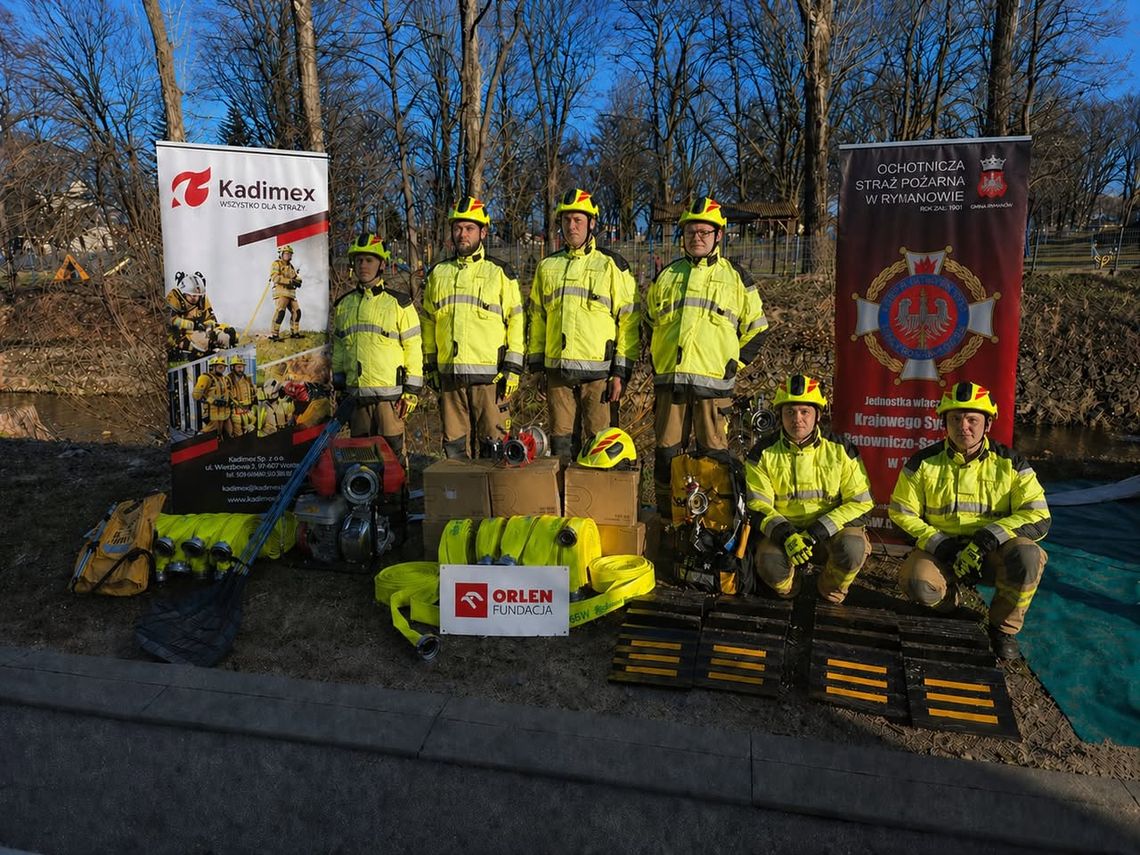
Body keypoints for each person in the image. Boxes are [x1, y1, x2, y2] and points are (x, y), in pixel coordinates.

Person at [889, 381, 1051, 659]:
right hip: (942, 554)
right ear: (944, 423)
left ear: (988, 424)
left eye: (972, 420)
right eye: (955, 419)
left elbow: (1039, 515)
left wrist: (988, 540)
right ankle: (949, 604)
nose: (963, 427)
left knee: (1028, 555)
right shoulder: (922, 463)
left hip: (992, 554)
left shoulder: (1012, 464)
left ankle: (1003, 629)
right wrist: (942, 546)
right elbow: (901, 514)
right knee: (917, 582)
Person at [645, 196, 768, 514]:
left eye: (704, 232)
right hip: (670, 384)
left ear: (718, 235)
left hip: (714, 387)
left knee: (714, 457)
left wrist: (733, 365)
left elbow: (758, 329)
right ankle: (668, 519)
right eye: (690, 232)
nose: (696, 238)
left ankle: (714, 522)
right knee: (666, 455)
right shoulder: (667, 276)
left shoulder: (736, 278)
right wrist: (657, 360)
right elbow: (648, 322)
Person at [527, 188, 639, 461]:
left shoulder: (612, 265)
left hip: (598, 375)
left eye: (578, 220)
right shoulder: (547, 267)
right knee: (561, 445)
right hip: (558, 372)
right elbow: (538, 320)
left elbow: (628, 321)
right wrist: (538, 368)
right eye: (566, 220)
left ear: (591, 223)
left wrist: (620, 372)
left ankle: (596, 491)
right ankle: (563, 488)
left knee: (599, 446)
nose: (571, 226)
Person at [744, 375, 873, 602]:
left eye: (805, 412)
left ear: (818, 415)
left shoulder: (841, 450)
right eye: (790, 412)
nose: (797, 419)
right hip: (785, 537)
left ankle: (830, 589)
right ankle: (790, 589)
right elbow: (757, 505)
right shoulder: (762, 454)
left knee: (853, 547)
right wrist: (786, 535)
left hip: (829, 533)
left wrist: (816, 532)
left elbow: (861, 503)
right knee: (769, 560)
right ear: (780, 415)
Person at [421, 196, 524, 459]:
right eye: (457, 228)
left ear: (483, 232)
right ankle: (459, 489)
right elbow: (429, 323)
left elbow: (516, 321)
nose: (462, 234)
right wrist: (430, 364)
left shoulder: (500, 273)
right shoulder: (438, 274)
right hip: (450, 378)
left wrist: (512, 368)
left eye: (469, 228)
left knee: (495, 451)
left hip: (492, 380)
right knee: (454, 451)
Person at [332, 233, 423, 456]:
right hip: (357, 398)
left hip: (390, 400)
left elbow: (413, 348)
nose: (363, 265)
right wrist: (340, 385)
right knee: (362, 459)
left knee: (393, 457)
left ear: (382, 264)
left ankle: (398, 483)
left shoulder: (399, 304)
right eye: (359, 260)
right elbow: (340, 348)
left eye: (369, 260)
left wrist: (411, 391)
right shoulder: (344, 305)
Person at [167, 271, 237, 360]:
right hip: (181, 338)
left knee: (225, 337)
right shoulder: (174, 299)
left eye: (197, 296)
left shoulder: (202, 300)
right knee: (204, 341)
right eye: (192, 295)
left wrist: (215, 330)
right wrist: (190, 325)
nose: (195, 298)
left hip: (201, 333)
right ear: (183, 293)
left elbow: (210, 319)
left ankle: (228, 357)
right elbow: (169, 322)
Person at [268, 245, 303, 341]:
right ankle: (274, 334)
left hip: (291, 293)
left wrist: (299, 281)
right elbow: (275, 278)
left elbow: (295, 277)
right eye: (286, 254)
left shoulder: (291, 267)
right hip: (281, 292)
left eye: (290, 254)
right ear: (281, 254)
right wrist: (289, 281)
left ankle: (295, 332)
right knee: (280, 312)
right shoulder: (276, 264)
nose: (288, 255)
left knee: (297, 312)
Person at [192, 355, 231, 435]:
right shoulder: (206, 378)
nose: (223, 369)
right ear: (212, 367)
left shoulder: (224, 379)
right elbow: (196, 395)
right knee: (209, 433)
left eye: (224, 367)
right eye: (220, 367)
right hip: (212, 413)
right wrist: (212, 401)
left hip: (224, 413)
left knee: (228, 432)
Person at [226, 355, 256, 438]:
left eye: (242, 367)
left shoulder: (247, 379)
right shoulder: (228, 380)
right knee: (238, 436)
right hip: (235, 412)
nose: (241, 369)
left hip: (248, 411)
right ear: (232, 367)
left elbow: (253, 393)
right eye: (239, 367)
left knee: (251, 434)